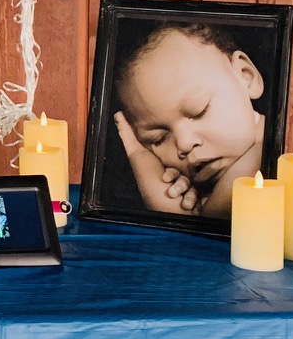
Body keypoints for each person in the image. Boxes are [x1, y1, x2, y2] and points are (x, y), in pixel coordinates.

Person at [111, 20, 267, 218]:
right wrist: (141, 157)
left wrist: (141, 160)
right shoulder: (194, 190)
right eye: (157, 138)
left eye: (199, 111)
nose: (184, 143)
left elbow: (215, 217)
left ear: (246, 76)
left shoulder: (278, 148)